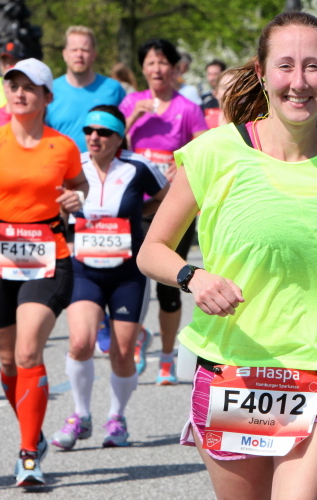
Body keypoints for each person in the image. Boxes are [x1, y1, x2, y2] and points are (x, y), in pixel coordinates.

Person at [136, 12, 317, 499]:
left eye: (313, 66)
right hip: (231, 370)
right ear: (261, 72)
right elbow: (152, 250)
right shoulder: (213, 153)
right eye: (285, 66)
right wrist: (194, 277)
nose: (299, 82)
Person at [0, 58, 87, 486]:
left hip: (48, 258)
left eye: (29, 87)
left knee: (27, 352)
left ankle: (28, 457)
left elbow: (79, 186)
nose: (19, 93)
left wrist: (77, 199)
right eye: (13, 86)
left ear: (46, 97)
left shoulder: (63, 147)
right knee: (8, 361)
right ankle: (34, 431)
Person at [51, 105, 169, 451]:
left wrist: (137, 216)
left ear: (119, 138)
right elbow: (54, 210)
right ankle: (80, 415)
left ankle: (117, 417)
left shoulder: (137, 166)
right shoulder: (74, 167)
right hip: (84, 269)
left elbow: (166, 198)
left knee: (121, 353)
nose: (94, 137)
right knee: (80, 343)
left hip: (127, 273)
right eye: (89, 131)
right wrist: (63, 214)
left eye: (103, 132)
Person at [119, 38, 208, 385]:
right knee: (132, 280)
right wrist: (130, 120)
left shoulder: (188, 108)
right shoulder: (131, 103)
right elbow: (109, 145)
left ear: (174, 68)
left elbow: (204, 150)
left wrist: (181, 165)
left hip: (173, 207)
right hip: (135, 205)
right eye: (150, 63)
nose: (157, 69)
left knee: (170, 284)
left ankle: (167, 357)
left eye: (162, 63)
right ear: (142, 68)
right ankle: (139, 335)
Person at [47, 26, 126, 152]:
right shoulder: (49, 91)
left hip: (104, 164)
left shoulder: (113, 89)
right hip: (60, 162)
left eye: (85, 50)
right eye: (74, 50)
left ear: (94, 54)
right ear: (64, 54)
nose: (79, 54)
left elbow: (127, 131)